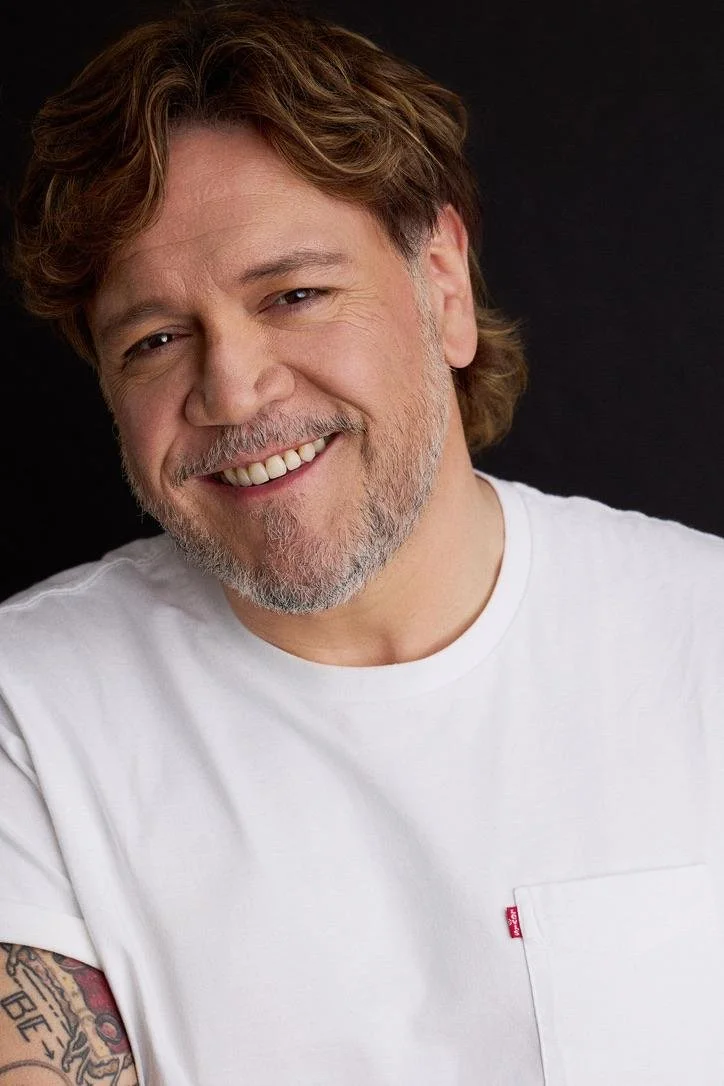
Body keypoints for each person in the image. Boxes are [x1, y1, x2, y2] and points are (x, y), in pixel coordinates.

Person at [1, 5, 723, 1084]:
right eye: (155, 339)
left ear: (443, 287)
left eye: (294, 295)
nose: (233, 388)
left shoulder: (704, 642)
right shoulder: (29, 712)